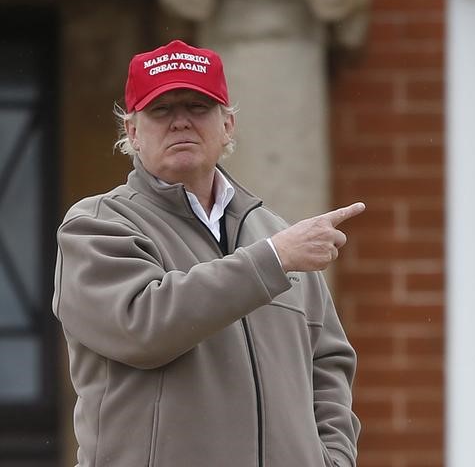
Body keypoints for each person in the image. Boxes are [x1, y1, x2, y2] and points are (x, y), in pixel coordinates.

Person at [52, 39, 364, 467]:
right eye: (161, 110)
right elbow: (143, 327)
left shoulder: (275, 234)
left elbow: (327, 361)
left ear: (228, 125)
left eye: (198, 107)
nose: (181, 122)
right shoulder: (96, 226)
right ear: (133, 132)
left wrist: (333, 458)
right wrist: (272, 260)